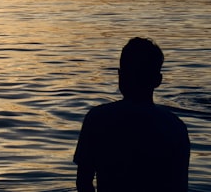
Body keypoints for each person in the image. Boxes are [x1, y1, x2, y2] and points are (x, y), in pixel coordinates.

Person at [73, 37, 190, 192]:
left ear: (120, 76)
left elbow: (83, 182)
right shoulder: (175, 127)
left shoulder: (98, 119)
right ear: (158, 80)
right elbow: (179, 186)